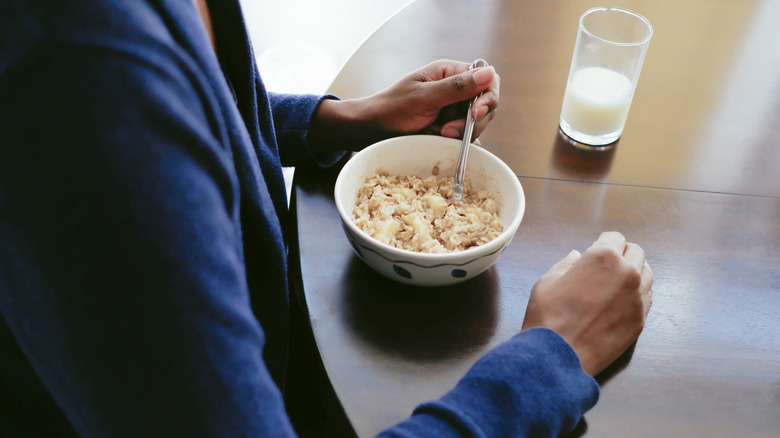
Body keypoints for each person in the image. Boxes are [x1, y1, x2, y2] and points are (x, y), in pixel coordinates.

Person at [0, 0, 653, 437]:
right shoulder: (73, 76)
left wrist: (336, 120)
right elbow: (121, 123)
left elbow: (184, 107)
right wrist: (550, 360)